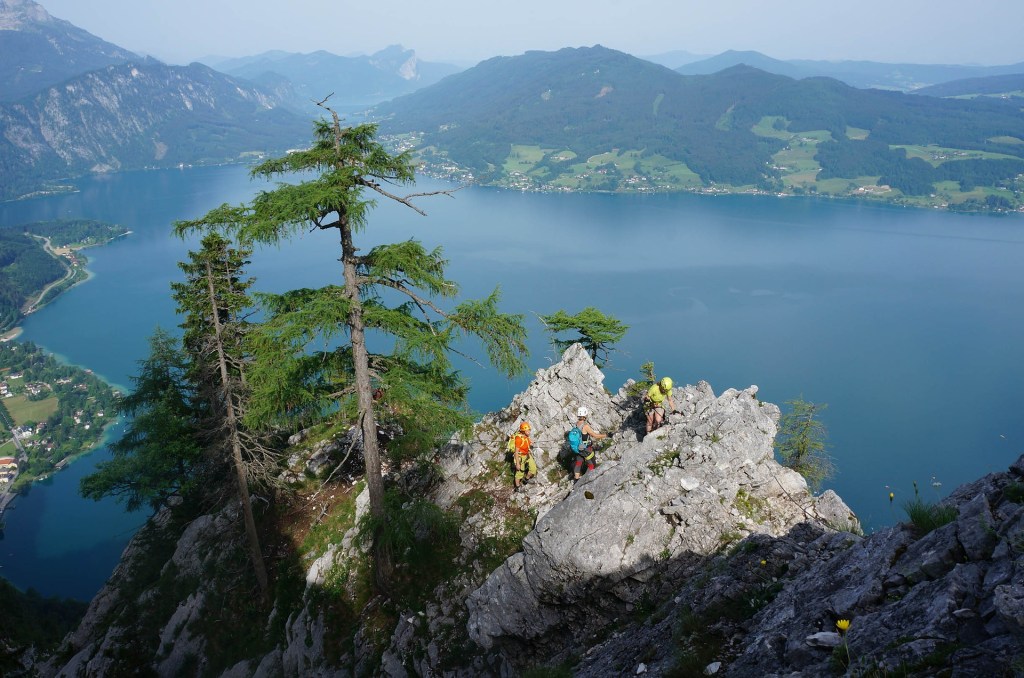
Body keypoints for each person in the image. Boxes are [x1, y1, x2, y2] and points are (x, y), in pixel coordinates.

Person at [572, 406, 608, 481]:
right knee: (592, 465)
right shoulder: (585, 426)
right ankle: (586, 480)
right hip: (585, 449)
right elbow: (595, 436)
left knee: (578, 463)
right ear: (585, 415)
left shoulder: (576, 424)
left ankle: (576, 480)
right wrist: (606, 435)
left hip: (578, 448)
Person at [511, 421, 536, 491]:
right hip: (520, 457)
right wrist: (518, 464)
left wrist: (530, 442)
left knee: (533, 469)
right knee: (519, 473)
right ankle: (517, 487)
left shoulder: (526, 436)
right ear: (523, 431)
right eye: (527, 430)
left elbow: (526, 441)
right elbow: (516, 452)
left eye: (529, 430)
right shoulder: (518, 439)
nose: (529, 431)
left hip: (527, 454)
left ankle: (526, 480)